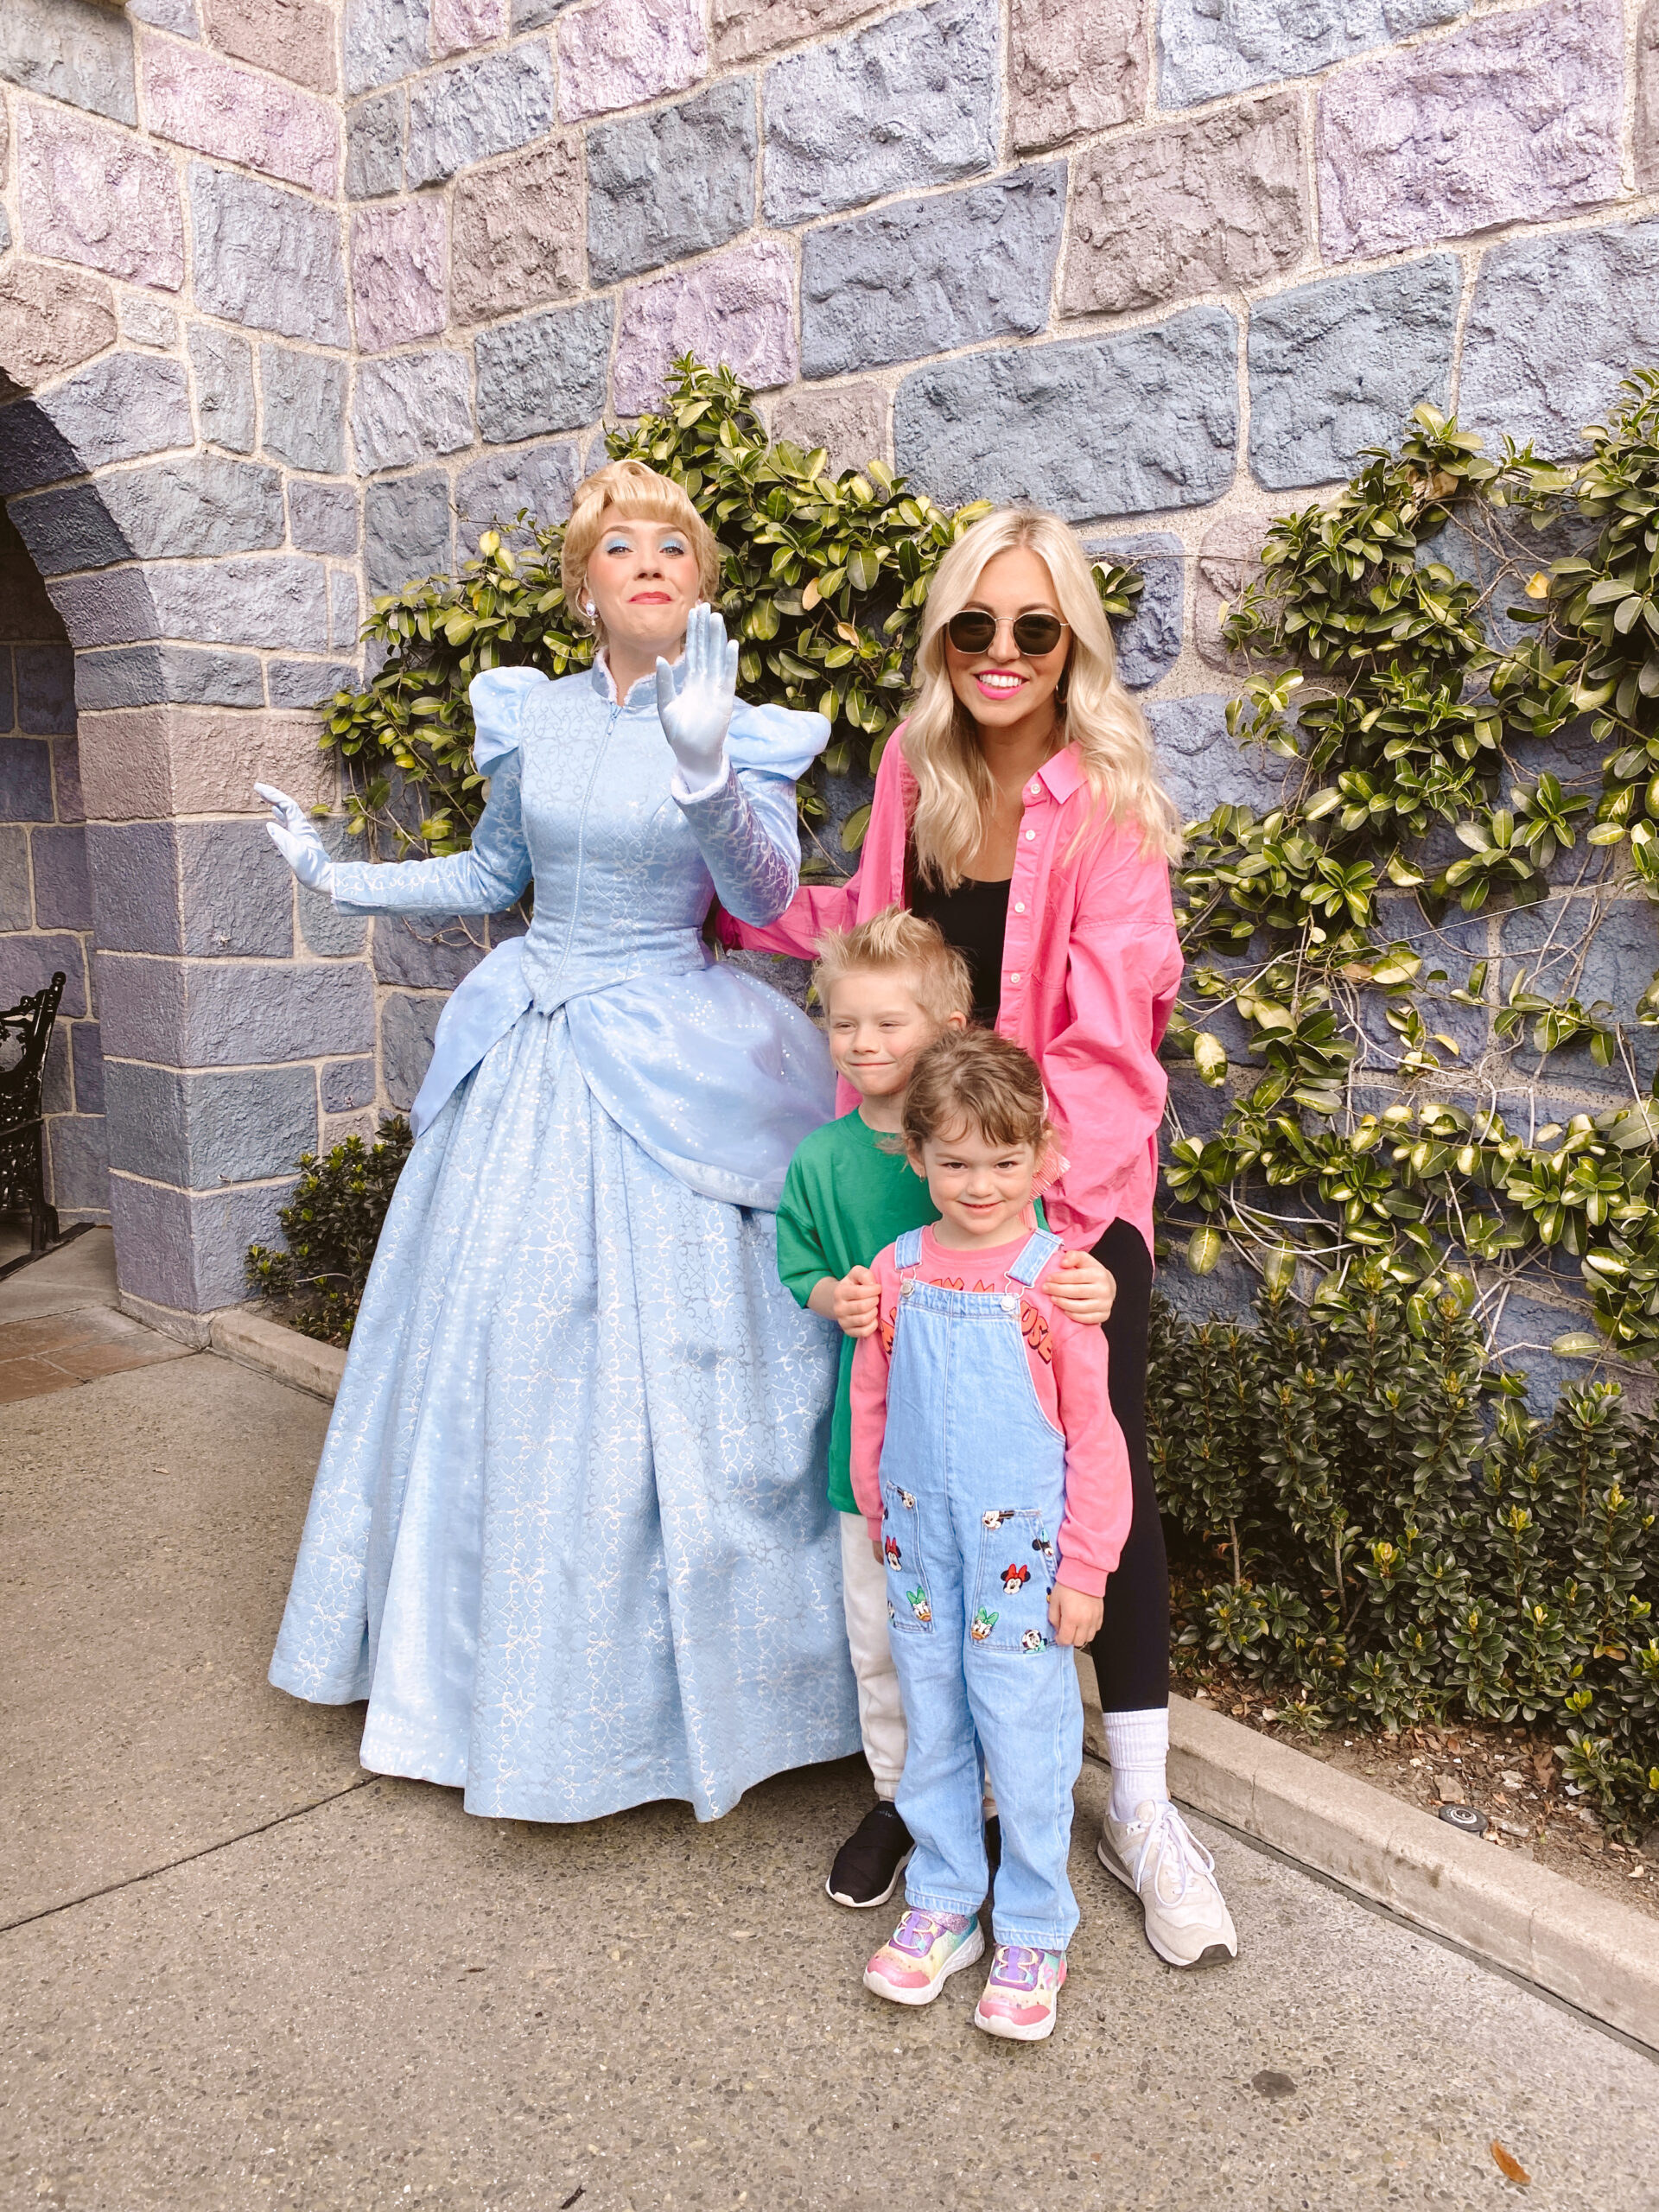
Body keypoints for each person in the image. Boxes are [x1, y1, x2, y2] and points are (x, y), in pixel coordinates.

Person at [254, 459, 861, 1823]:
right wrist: (329, 872)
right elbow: (490, 877)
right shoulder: (528, 714)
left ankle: (733, 1690)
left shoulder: (737, 728)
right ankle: (486, 1682)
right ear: (585, 584)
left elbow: (760, 890)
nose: (651, 563)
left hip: (672, 1044)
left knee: (694, 1365)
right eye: (622, 547)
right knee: (506, 1354)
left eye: (676, 549)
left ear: (699, 586)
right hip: (535, 1045)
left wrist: (709, 770)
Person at [727, 505, 1238, 1967]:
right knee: (918, 1478)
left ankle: (1138, 1807)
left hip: (1064, 1198)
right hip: (927, 1186)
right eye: (975, 627)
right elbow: (859, 925)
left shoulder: (1112, 802)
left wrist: (1052, 1234)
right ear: (944, 640)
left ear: (1072, 639)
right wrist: (718, 891)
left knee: (1094, 1461)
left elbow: (1112, 1032)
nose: (1003, 653)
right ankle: (926, 1793)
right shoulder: (916, 771)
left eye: (1035, 627)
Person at [778, 906, 1116, 1910]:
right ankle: (904, 1805)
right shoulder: (830, 1161)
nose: (868, 1044)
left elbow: (1047, 1279)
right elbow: (798, 1255)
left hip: (1005, 1493)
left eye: (892, 1023)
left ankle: (1003, 1826)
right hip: (891, 1475)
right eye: (847, 1025)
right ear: (922, 1159)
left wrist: (1089, 1285)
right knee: (891, 1649)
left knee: (1000, 1668)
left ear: (948, 1030)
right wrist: (830, 1296)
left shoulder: (991, 1163)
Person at [850, 1030, 1131, 2043]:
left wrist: (1088, 1566)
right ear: (917, 1154)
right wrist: (882, 1518)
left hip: (1023, 1558)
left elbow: (1096, 1439)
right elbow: (873, 1402)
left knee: (1024, 1732)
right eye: (956, 1161)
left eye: (1003, 1162)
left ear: (1042, 1158)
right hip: (922, 1548)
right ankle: (943, 1900)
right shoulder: (897, 1267)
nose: (979, 1184)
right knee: (935, 1720)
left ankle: (1034, 1924)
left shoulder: (1057, 1280)